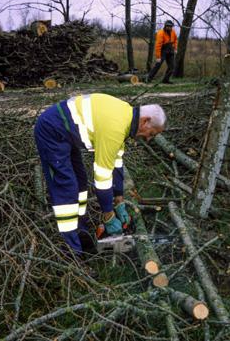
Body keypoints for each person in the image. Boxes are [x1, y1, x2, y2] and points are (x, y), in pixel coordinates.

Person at [34, 93, 166, 255]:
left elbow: (116, 165)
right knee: (66, 188)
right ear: (145, 121)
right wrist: (108, 215)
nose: (148, 138)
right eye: (151, 133)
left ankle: (81, 233)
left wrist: (119, 201)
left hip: (66, 132)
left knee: (81, 182)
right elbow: (102, 179)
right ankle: (71, 252)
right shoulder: (115, 128)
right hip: (52, 130)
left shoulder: (125, 117)